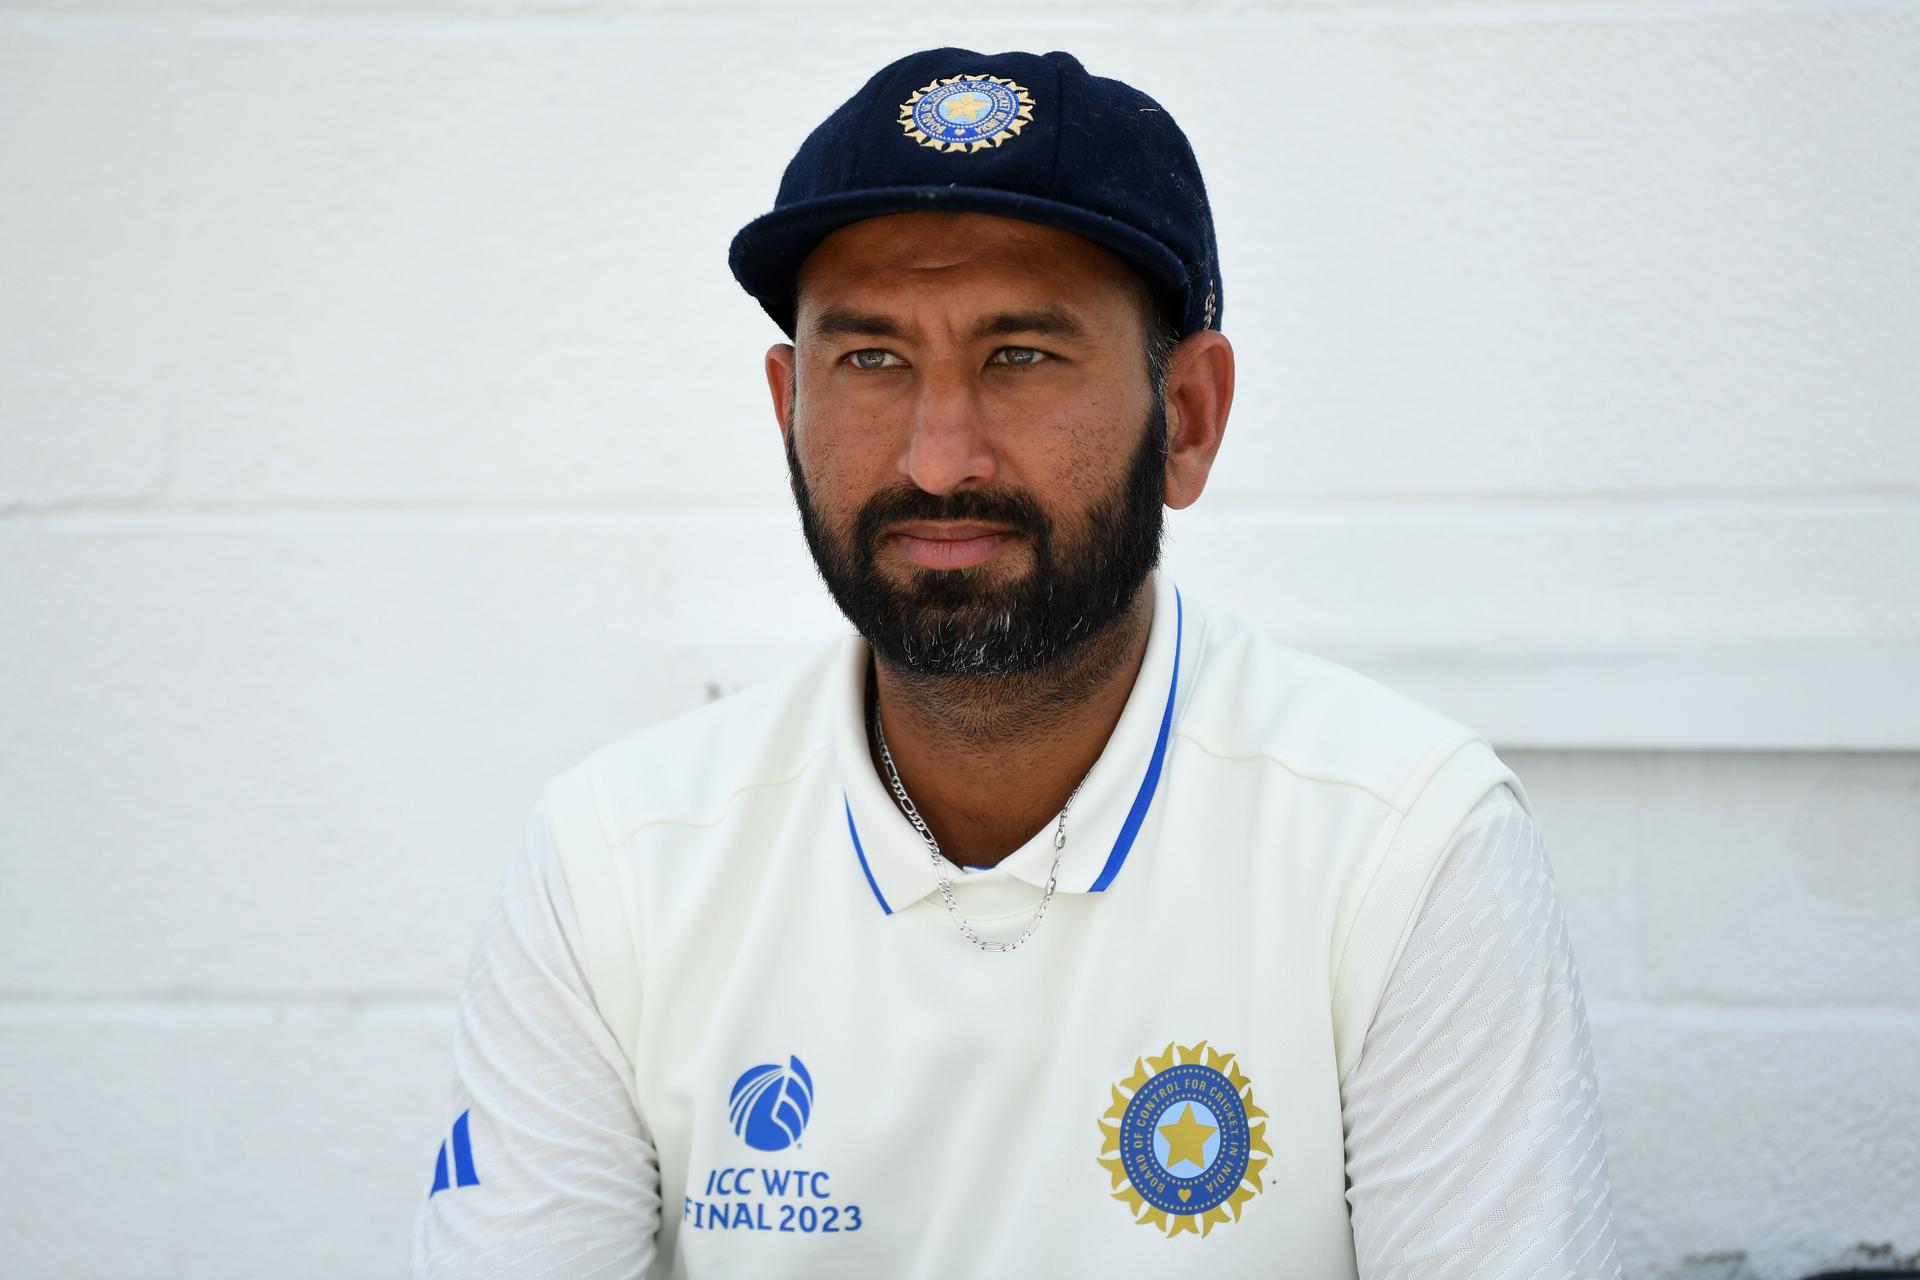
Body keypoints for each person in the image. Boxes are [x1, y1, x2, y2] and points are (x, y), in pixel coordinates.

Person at [412, 46, 1623, 1279]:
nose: (940, 457)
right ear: (788, 404)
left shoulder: (1403, 846)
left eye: (1022, 356)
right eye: (872, 359)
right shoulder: (614, 861)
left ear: (1188, 420)